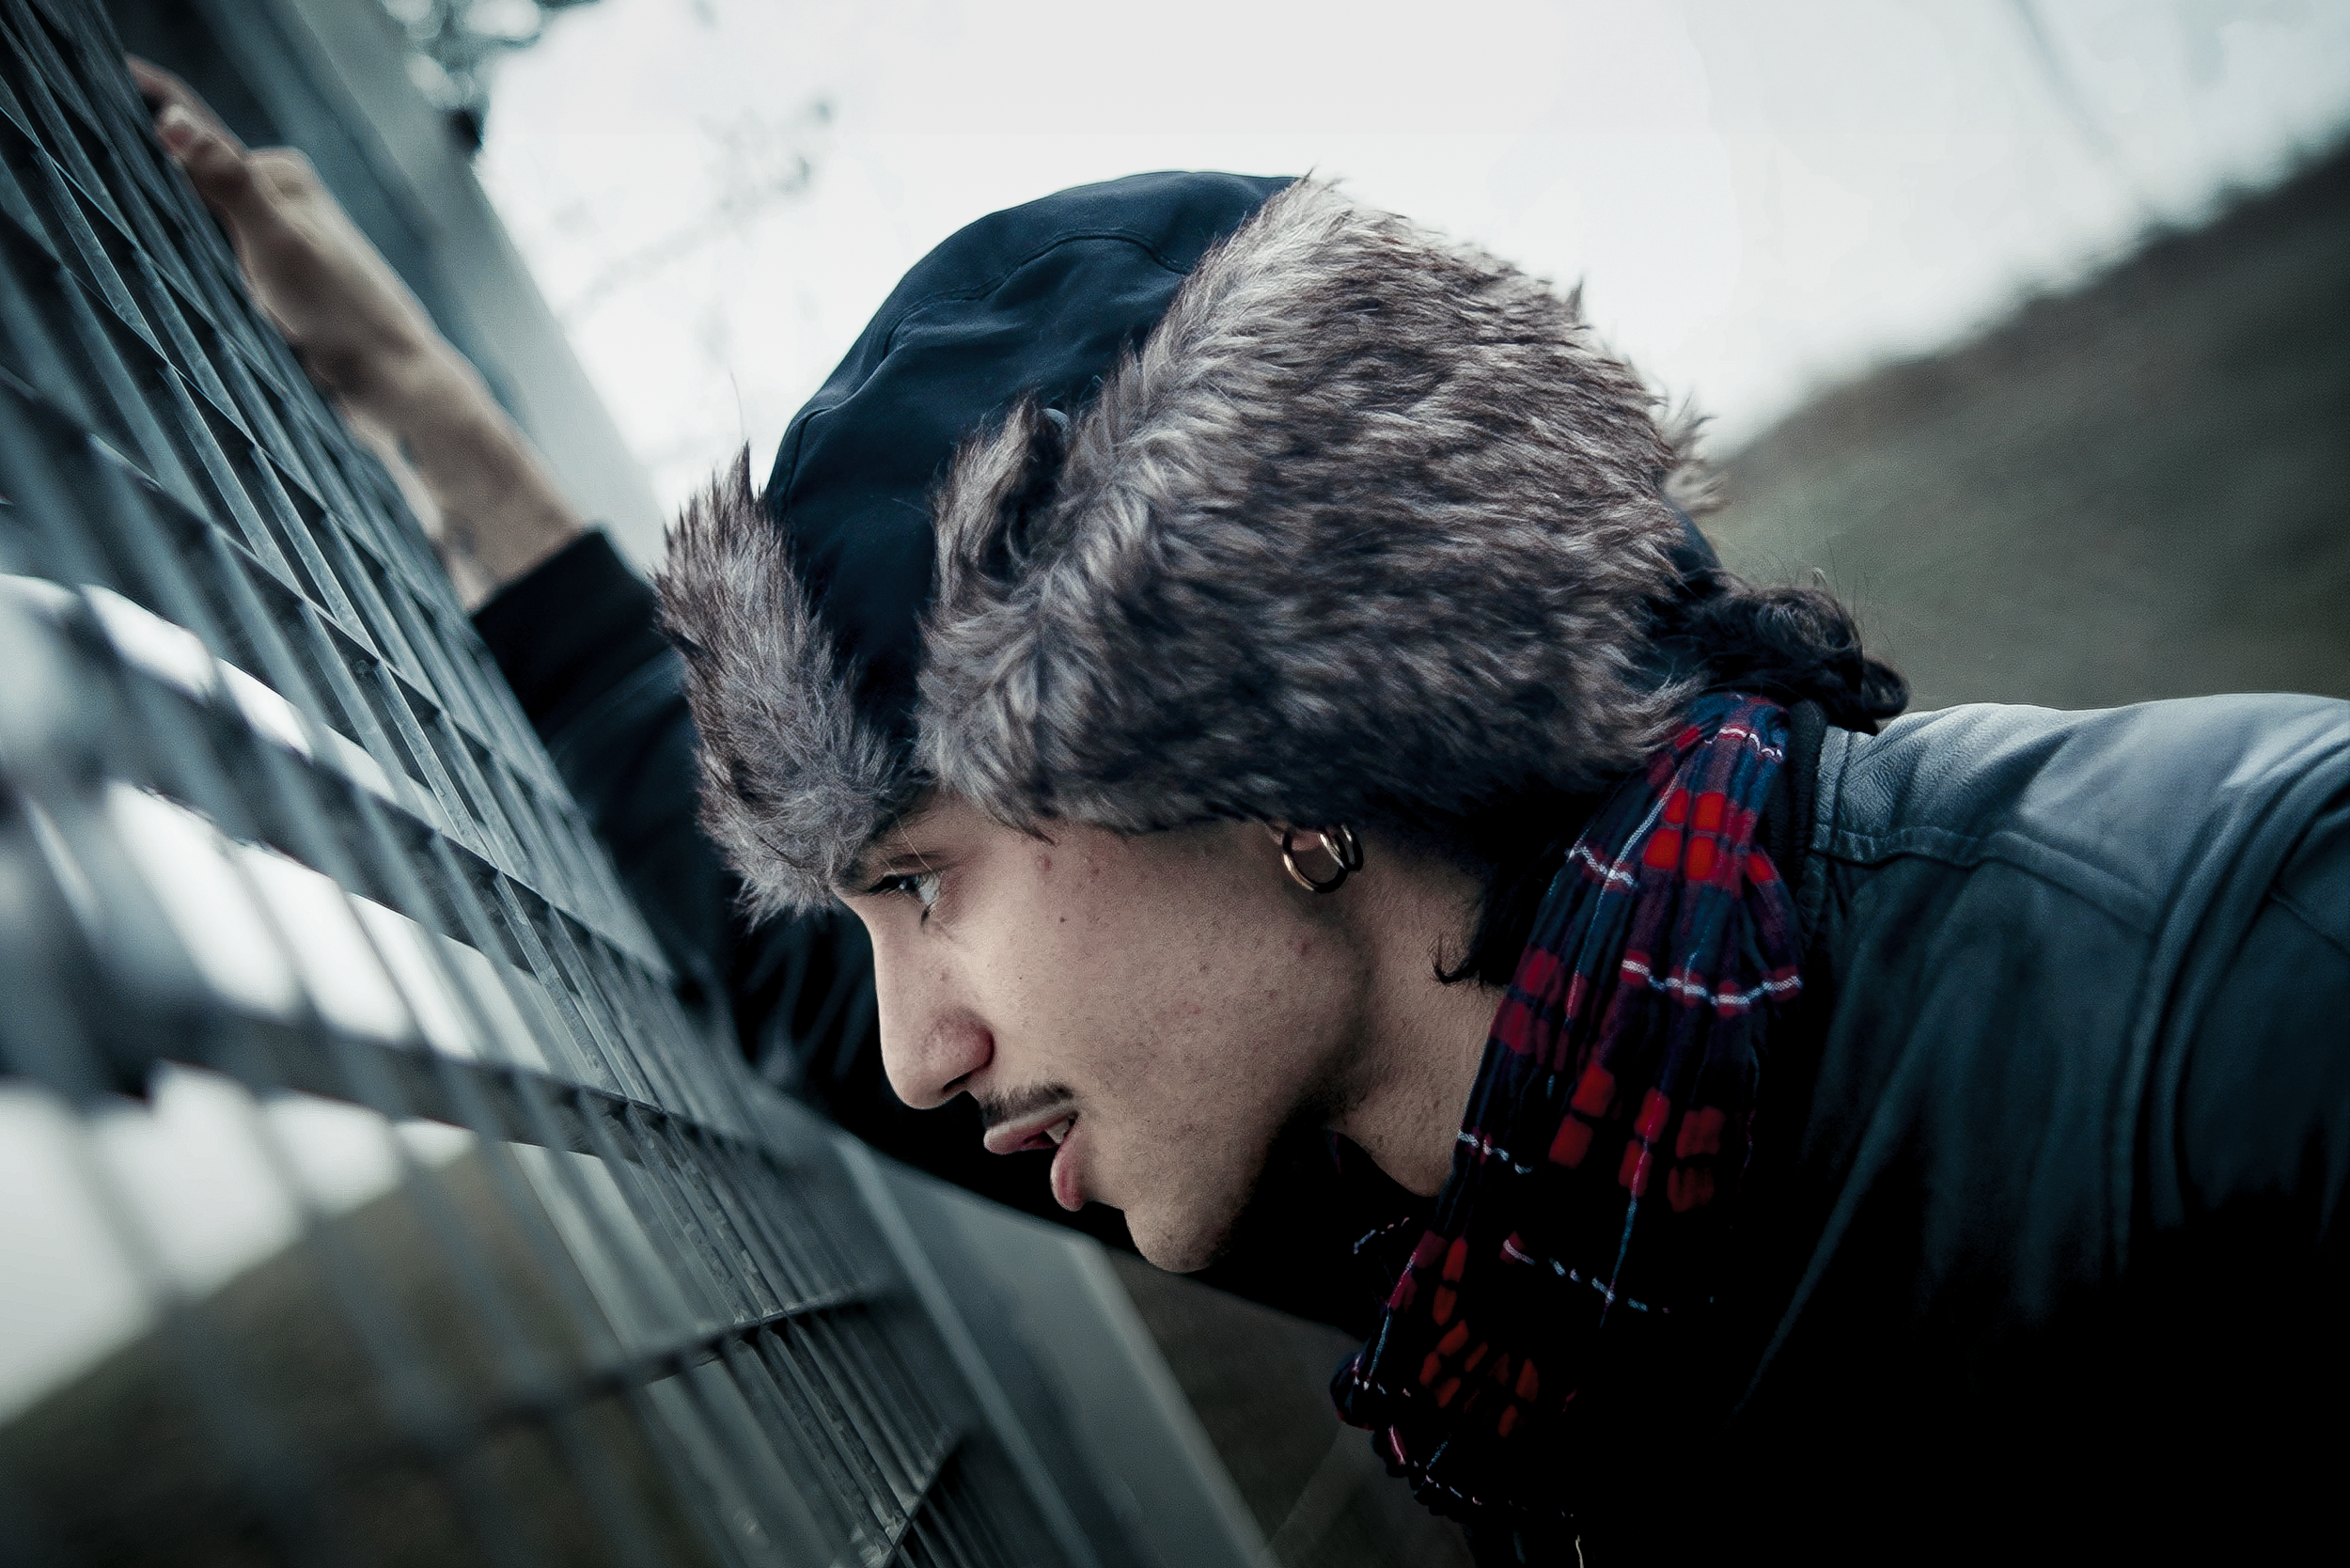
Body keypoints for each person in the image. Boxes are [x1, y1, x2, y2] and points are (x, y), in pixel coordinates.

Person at [138, 62, 2348, 1566]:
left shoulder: (2254, 965)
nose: (911, 1042)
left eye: (920, 883)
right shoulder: (1482, 1190)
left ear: (1251, 752)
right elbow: (782, 994)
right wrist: (415, 417)